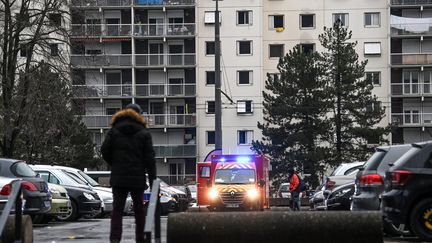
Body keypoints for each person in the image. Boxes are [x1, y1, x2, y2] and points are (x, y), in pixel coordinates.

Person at [101, 103, 156, 243]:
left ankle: (115, 239)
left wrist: (114, 163)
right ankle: (140, 239)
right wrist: (152, 178)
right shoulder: (144, 133)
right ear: (139, 114)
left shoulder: (114, 131)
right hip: (137, 178)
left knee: (117, 210)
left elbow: (104, 151)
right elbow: (150, 158)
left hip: (119, 177)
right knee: (139, 210)